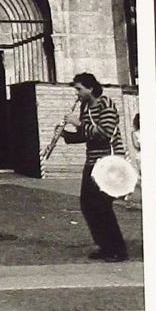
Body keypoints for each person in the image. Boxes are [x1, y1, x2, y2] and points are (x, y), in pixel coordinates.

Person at [61, 72, 128, 261]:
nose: (77, 93)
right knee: (87, 205)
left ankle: (118, 249)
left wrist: (78, 123)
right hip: (92, 161)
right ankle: (104, 246)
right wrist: (67, 135)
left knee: (102, 206)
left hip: (109, 160)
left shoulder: (105, 103)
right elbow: (86, 135)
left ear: (90, 88)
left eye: (79, 89)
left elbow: (105, 132)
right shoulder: (85, 106)